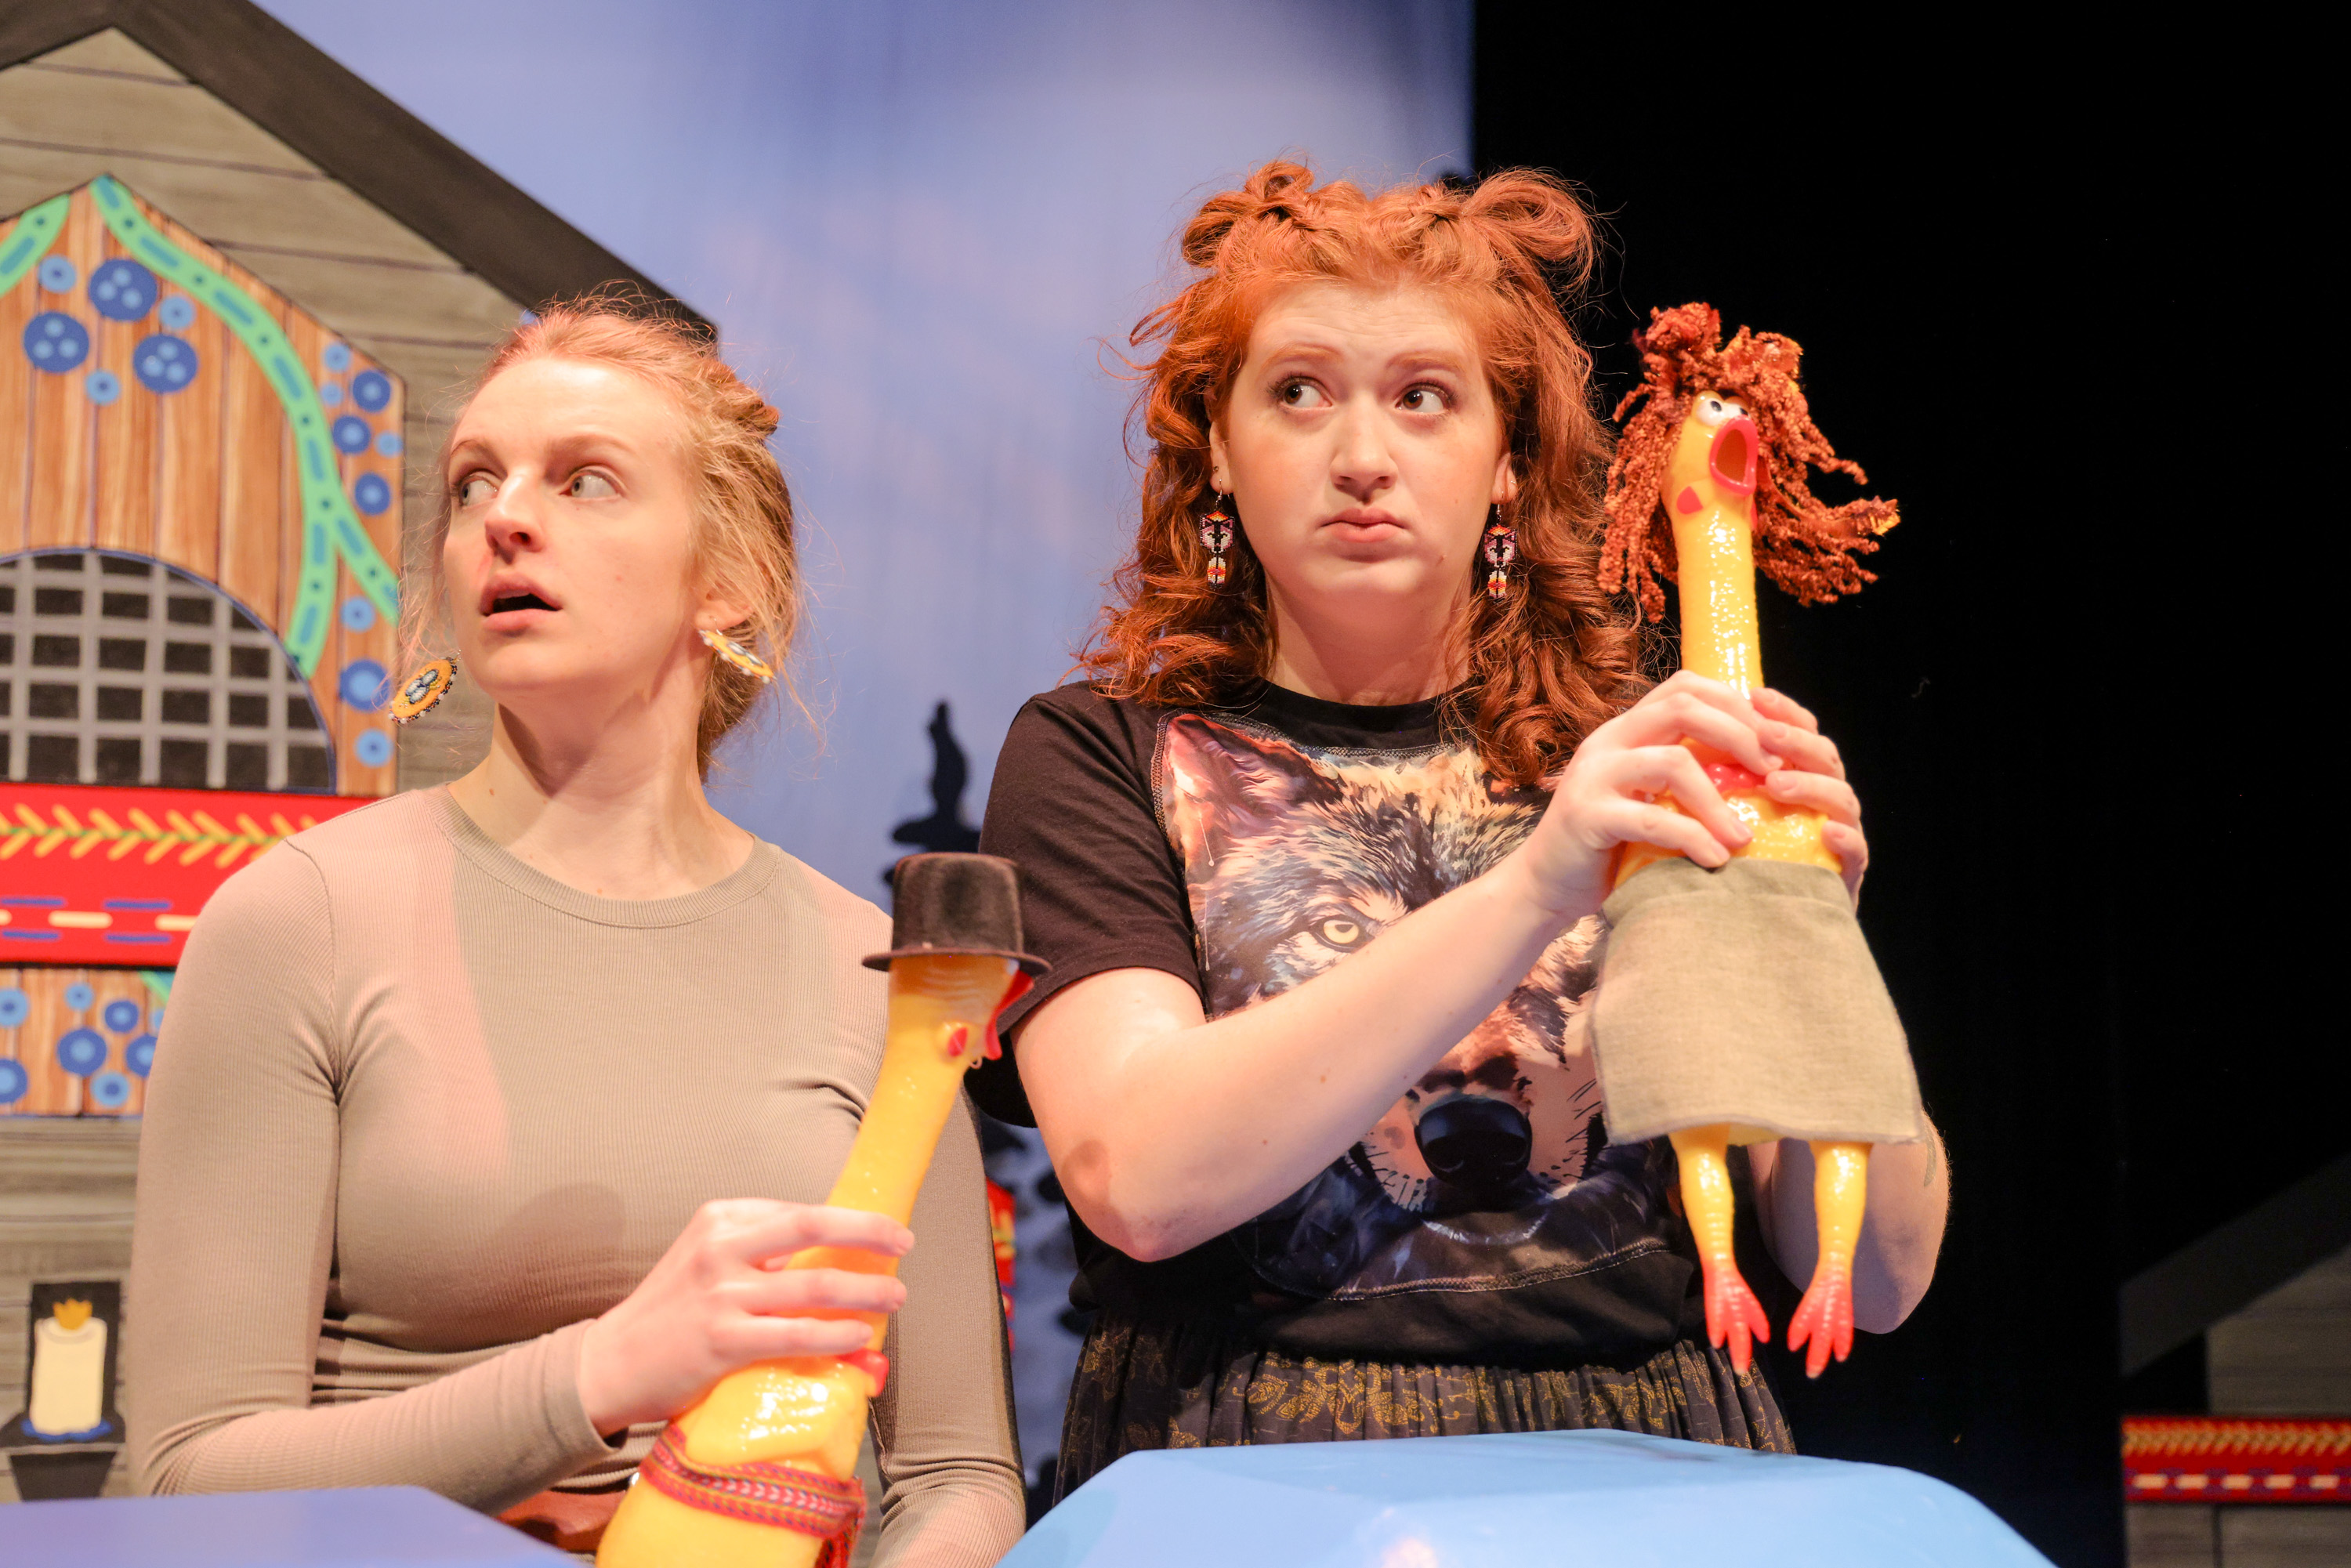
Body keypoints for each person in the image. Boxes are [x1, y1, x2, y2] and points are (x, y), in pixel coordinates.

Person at [974, 162, 1949, 1497]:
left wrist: (1814, 944)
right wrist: (1538, 885)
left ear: (1506, 464)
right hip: (1247, 1469)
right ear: (1218, 450)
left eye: (1424, 397)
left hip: (1652, 1470)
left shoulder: (1645, 760)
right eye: (1297, 391)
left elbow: (1884, 1281)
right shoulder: (1099, 753)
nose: (1361, 456)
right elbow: (1138, 1176)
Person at [126, 301, 1024, 1565]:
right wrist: (600, 1370)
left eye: (584, 479)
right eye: (473, 482)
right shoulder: (300, 920)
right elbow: (183, 1477)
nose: (505, 516)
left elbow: (956, 1473)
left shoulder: (865, 965)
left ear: (727, 582)